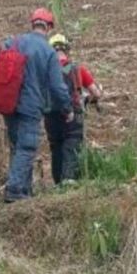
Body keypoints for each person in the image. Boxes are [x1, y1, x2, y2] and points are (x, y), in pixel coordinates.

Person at [1, 8, 74, 202]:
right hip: (30, 106)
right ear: (48, 27)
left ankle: (24, 191)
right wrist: (67, 109)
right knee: (27, 147)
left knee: (17, 147)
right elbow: (57, 87)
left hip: (8, 103)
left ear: (33, 24)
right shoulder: (48, 51)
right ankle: (15, 189)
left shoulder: (13, 42)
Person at [44, 34, 102, 184]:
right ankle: (69, 181)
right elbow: (96, 93)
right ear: (67, 50)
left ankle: (58, 183)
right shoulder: (77, 69)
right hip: (73, 114)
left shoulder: (45, 71)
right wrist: (91, 99)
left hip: (50, 115)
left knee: (56, 147)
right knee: (72, 143)